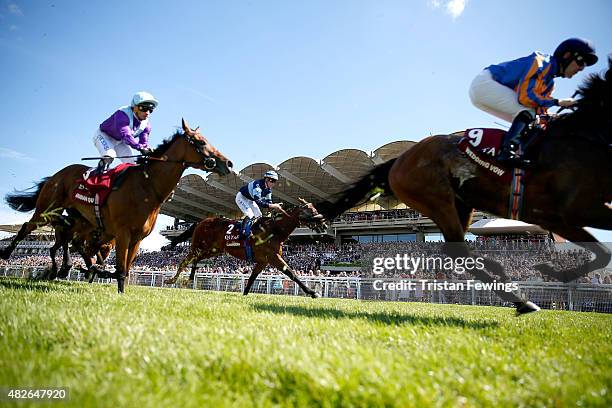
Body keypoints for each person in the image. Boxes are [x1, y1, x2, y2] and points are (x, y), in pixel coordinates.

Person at [469, 38, 597, 167]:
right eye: (581, 61)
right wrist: (558, 102)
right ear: (567, 55)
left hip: (484, 92)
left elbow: (540, 112)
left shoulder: (549, 83)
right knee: (527, 112)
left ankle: (515, 155)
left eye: (585, 65)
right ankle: (506, 154)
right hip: (485, 83)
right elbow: (526, 98)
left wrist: (557, 117)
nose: (581, 68)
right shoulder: (540, 62)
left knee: (534, 122)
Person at [92, 91, 159, 173]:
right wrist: (140, 148)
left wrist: (145, 149)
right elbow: (126, 135)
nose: (147, 113)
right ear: (135, 107)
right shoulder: (123, 114)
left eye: (150, 110)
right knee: (109, 156)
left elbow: (143, 142)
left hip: (120, 141)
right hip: (104, 136)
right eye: (144, 108)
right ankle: (96, 175)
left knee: (132, 163)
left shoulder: (146, 125)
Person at [235, 170, 283, 235]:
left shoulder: (268, 190)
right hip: (241, 198)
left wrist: (275, 207)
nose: (273, 183)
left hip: (250, 200)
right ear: (266, 179)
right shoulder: (258, 185)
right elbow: (259, 202)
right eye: (272, 181)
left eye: (275, 182)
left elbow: (269, 202)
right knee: (250, 215)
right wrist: (273, 206)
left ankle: (255, 232)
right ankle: (242, 233)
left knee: (259, 216)